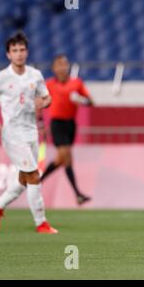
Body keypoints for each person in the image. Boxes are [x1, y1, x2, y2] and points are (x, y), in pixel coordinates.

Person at [0, 32, 58, 234]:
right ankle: (41, 223)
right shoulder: (2, 78)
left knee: (25, 179)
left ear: (27, 52)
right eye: (14, 50)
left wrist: (44, 102)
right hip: (12, 134)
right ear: (8, 54)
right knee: (33, 175)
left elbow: (46, 97)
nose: (19, 54)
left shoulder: (35, 75)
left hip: (31, 132)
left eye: (22, 50)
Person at [40, 54, 93, 205]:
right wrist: (41, 123)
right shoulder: (48, 84)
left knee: (61, 159)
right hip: (57, 124)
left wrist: (81, 99)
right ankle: (77, 194)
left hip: (70, 124)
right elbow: (39, 102)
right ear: (53, 68)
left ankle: (38, 182)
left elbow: (91, 102)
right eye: (59, 65)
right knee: (66, 155)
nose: (62, 67)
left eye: (64, 64)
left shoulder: (76, 83)